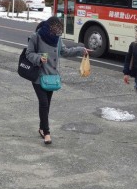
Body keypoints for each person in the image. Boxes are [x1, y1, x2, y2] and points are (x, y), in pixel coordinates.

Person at [26, 16, 90, 145]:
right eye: (56, 28)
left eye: (59, 29)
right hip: (39, 76)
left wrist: (80, 50)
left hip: (51, 77)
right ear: (50, 27)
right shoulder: (36, 36)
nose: (58, 31)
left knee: (47, 104)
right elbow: (29, 53)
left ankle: (41, 128)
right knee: (43, 103)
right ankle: (47, 133)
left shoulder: (57, 39)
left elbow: (65, 52)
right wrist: (38, 58)